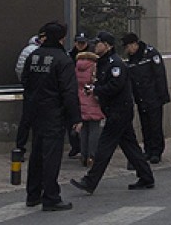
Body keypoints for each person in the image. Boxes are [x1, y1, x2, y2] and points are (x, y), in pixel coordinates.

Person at [70, 31, 155, 195]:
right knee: (130, 146)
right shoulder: (103, 62)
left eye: (99, 43)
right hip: (115, 110)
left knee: (104, 147)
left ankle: (90, 180)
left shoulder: (115, 64)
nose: (96, 46)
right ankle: (146, 176)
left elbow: (115, 86)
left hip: (119, 111)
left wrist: (96, 90)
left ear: (107, 45)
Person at [21, 21, 80, 211]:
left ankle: (33, 194)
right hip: (54, 114)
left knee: (36, 154)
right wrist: (75, 118)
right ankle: (51, 197)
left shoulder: (34, 56)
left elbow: (26, 82)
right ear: (62, 38)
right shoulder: (63, 60)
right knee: (51, 156)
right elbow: (69, 92)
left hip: (35, 112)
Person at [122, 32, 171, 164]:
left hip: (153, 96)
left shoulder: (150, 54)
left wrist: (162, 95)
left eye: (128, 47)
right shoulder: (132, 59)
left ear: (134, 44)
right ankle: (148, 150)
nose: (127, 50)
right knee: (145, 125)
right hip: (141, 97)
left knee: (155, 125)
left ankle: (156, 151)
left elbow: (159, 75)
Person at [74, 41, 104, 169]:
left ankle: (83, 155)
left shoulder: (76, 66)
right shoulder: (94, 66)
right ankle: (92, 156)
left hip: (80, 99)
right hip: (92, 99)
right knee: (94, 129)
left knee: (84, 129)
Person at [14, 31, 44, 156]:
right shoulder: (32, 51)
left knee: (27, 121)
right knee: (30, 121)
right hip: (35, 91)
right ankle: (25, 148)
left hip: (32, 90)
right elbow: (21, 69)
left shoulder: (30, 50)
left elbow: (20, 70)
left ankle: (21, 148)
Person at [66, 32, 91, 158]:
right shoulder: (69, 56)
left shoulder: (92, 56)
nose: (80, 45)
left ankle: (85, 148)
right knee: (71, 120)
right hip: (72, 91)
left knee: (87, 122)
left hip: (87, 92)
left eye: (83, 42)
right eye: (78, 42)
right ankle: (75, 145)